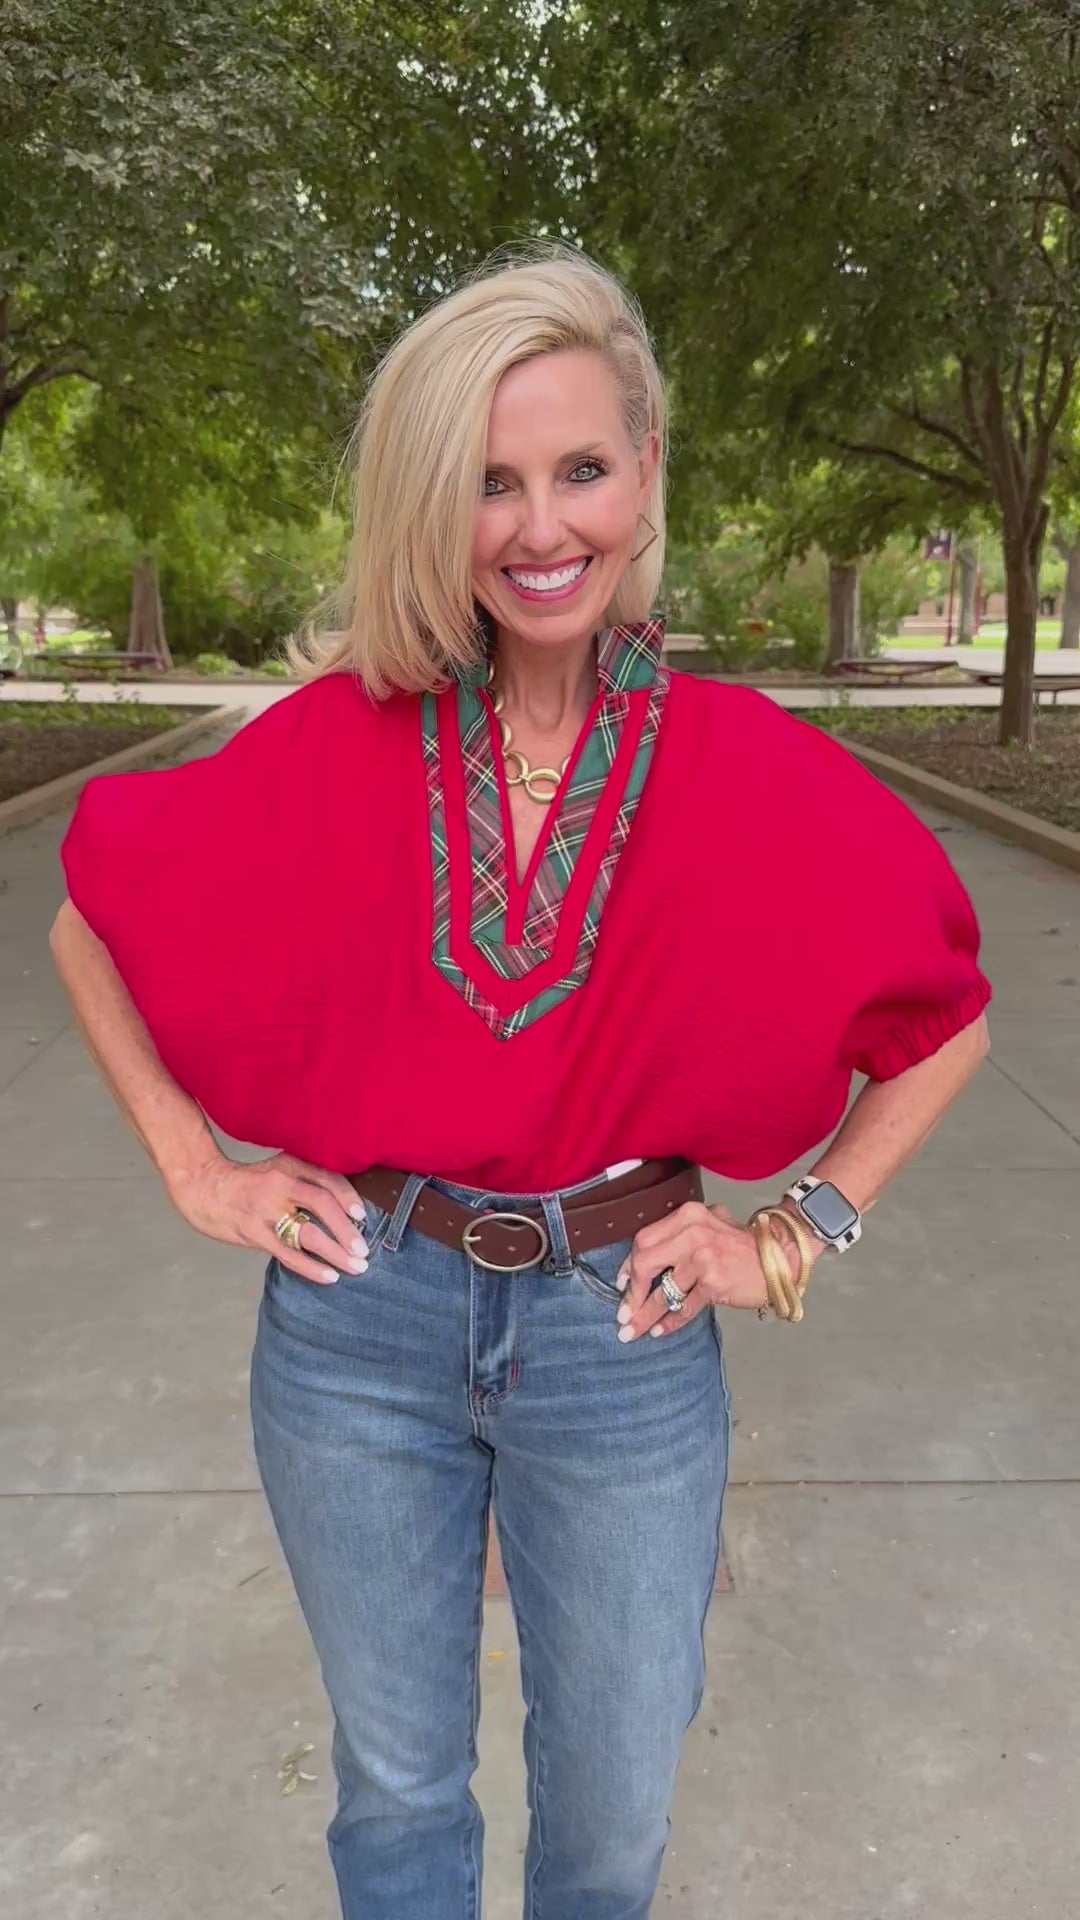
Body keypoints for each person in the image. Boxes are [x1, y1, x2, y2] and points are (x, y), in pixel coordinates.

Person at [49, 241, 993, 1920]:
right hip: (360, 1326)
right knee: (400, 1799)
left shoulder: (748, 767)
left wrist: (794, 1235)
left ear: (643, 476)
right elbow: (90, 923)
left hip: (615, 1339)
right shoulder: (342, 734)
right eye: (489, 482)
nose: (541, 526)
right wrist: (201, 1169)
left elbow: (950, 1015)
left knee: (614, 1820)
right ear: (434, 503)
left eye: (580, 469)